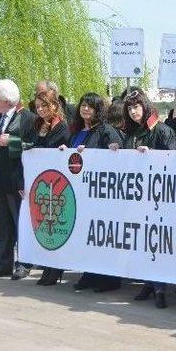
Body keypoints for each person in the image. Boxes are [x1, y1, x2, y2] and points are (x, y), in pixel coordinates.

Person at [110, 89, 176, 309]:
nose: (133, 112)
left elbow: (174, 161)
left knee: (156, 242)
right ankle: (149, 283)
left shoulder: (162, 131)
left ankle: (159, 287)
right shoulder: (131, 132)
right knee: (142, 242)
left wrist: (152, 155)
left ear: (145, 107)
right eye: (129, 108)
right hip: (138, 197)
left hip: (159, 197)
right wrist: (116, 151)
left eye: (137, 107)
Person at [63, 93, 124, 292]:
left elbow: (116, 156)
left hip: (101, 193)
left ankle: (109, 279)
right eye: (83, 105)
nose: (86, 109)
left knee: (102, 236)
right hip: (80, 193)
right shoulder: (76, 131)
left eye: (90, 106)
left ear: (99, 110)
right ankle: (89, 273)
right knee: (85, 235)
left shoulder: (106, 130)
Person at [0, 79, 36, 279]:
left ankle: (24, 263)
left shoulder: (28, 119)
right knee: (1, 224)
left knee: (20, 223)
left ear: (6, 99)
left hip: (16, 181)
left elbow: (34, 146)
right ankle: (3, 263)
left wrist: (12, 142)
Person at [27, 88, 71, 285]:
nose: (41, 109)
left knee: (56, 222)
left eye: (44, 105)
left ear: (54, 106)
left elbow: (53, 149)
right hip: (42, 181)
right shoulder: (39, 125)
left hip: (57, 182)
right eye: (37, 106)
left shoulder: (62, 126)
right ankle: (47, 264)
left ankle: (56, 267)